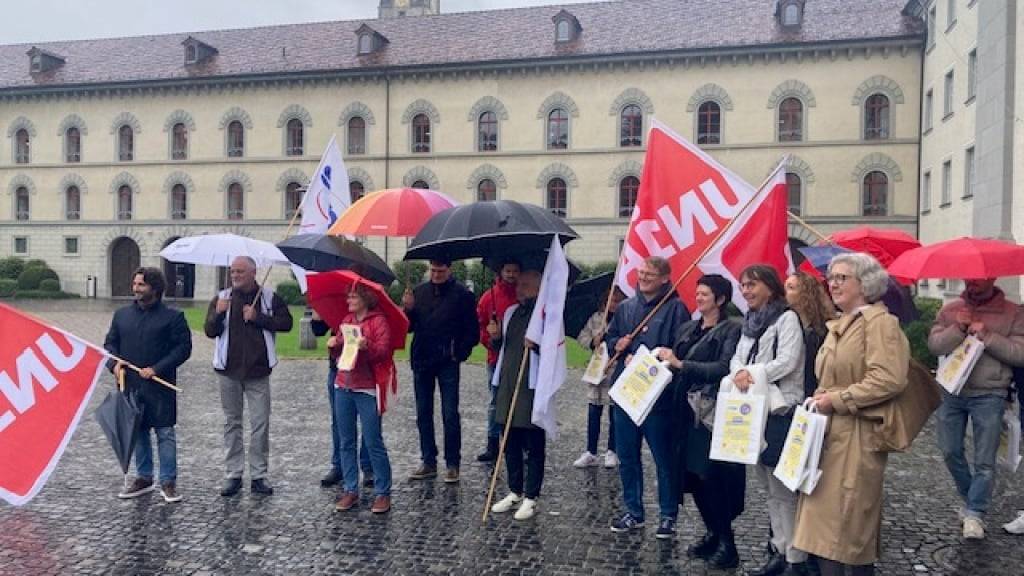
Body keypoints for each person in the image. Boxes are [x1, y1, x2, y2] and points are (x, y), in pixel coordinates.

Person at [793, 253, 911, 575]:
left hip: (857, 438)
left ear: (865, 284)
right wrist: (822, 396)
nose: (833, 284)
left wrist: (837, 399)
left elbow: (889, 379)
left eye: (842, 277)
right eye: (831, 278)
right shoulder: (841, 323)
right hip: (827, 435)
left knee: (848, 530)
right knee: (824, 532)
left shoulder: (880, 324)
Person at [656, 274, 742, 569]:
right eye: (698, 292)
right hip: (683, 411)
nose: (699, 297)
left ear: (721, 299)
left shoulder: (731, 329)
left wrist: (682, 364)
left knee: (711, 477)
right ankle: (712, 533)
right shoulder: (689, 327)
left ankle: (727, 543)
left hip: (709, 414)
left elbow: (724, 367)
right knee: (692, 478)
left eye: (705, 293)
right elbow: (673, 362)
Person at [928, 277, 1024, 539]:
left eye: (978, 280)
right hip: (952, 390)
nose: (972, 282)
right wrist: (958, 328)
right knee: (950, 451)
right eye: (969, 279)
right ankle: (972, 498)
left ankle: (974, 513)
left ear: (992, 278)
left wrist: (988, 336)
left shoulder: (1013, 313)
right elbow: (934, 345)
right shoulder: (951, 310)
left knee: (985, 459)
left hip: (989, 393)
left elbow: (1019, 353)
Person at [604, 256, 689, 538]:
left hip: (658, 397)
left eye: (650, 274)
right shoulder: (626, 306)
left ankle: (668, 515)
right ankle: (633, 511)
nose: (643, 277)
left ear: (665, 278)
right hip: (627, 393)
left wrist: (658, 358)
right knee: (627, 456)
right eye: (641, 272)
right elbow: (611, 339)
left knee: (663, 458)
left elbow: (681, 347)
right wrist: (618, 345)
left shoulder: (676, 309)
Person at [730, 264, 806, 576]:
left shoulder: (787, 318)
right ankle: (779, 547)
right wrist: (739, 372)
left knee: (783, 488)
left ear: (770, 287)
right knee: (766, 485)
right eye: (743, 285)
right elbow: (738, 356)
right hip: (753, 408)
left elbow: (788, 361)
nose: (746, 291)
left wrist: (751, 374)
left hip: (780, 410)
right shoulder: (750, 320)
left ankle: (796, 558)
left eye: (752, 285)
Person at [204, 256, 293, 496]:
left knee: (260, 423)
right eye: (233, 271)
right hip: (228, 371)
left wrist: (258, 318)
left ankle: (258, 475)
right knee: (232, 423)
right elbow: (210, 331)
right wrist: (218, 314)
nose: (235, 275)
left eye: (240, 271)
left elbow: (286, 323)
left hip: (258, 371)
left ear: (253, 273)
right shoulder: (222, 298)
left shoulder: (269, 298)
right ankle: (233, 474)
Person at [104, 267, 192, 502]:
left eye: (141, 284)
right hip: (131, 384)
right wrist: (114, 364)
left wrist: (156, 368)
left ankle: (168, 481)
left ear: (155, 288)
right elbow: (110, 345)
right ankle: (144, 478)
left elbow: (183, 349)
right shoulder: (121, 315)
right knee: (138, 431)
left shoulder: (173, 317)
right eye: (134, 284)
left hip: (160, 385)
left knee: (165, 433)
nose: (136, 288)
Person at [402, 258, 479, 483]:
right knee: (423, 413)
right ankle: (428, 460)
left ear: (449, 270)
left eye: (440, 271)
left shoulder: (462, 295)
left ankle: (453, 463)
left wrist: (459, 352)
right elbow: (408, 328)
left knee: (450, 413)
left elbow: (472, 331)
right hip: (423, 359)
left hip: (447, 360)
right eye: (433, 270)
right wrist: (408, 309)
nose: (436, 275)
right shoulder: (419, 292)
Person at [329, 284, 395, 514]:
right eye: (348, 296)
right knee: (346, 441)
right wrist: (334, 346)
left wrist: (367, 347)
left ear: (365, 298)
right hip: (343, 385)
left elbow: (384, 352)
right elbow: (340, 352)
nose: (349, 300)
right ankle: (350, 489)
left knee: (373, 440)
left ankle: (382, 492)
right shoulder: (347, 320)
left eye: (353, 296)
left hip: (366, 388)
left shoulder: (378, 322)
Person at [489, 268, 547, 520]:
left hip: (531, 386)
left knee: (533, 442)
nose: (519, 288)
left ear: (538, 287)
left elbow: (554, 352)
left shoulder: (545, 315)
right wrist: (494, 337)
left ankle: (531, 496)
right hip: (508, 382)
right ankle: (515, 490)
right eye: (519, 284)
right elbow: (502, 348)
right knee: (509, 440)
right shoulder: (511, 312)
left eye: (525, 284)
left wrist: (537, 346)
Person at [311, 313, 373, 488]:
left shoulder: (372, 313)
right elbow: (318, 331)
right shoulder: (337, 307)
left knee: (369, 422)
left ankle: (368, 467)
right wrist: (316, 318)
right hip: (339, 368)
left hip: (366, 370)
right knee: (339, 421)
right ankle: (339, 465)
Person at [573, 286, 625, 468]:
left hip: (615, 369)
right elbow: (582, 337)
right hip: (597, 370)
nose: (614, 304)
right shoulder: (596, 318)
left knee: (614, 411)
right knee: (594, 410)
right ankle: (591, 451)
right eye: (611, 300)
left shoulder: (625, 318)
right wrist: (592, 341)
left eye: (618, 301)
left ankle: (612, 450)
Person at [475, 259, 521, 463]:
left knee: (519, 401)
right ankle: (492, 443)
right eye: (507, 270)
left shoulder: (523, 295)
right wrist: (490, 338)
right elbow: (480, 325)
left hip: (519, 357)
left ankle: (517, 442)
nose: (511, 274)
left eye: (514, 271)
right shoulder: (489, 298)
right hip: (496, 358)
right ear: (501, 272)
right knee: (495, 401)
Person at [785, 272, 836, 398]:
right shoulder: (784, 323)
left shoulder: (825, 328)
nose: (785, 292)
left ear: (806, 293)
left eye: (791, 287)